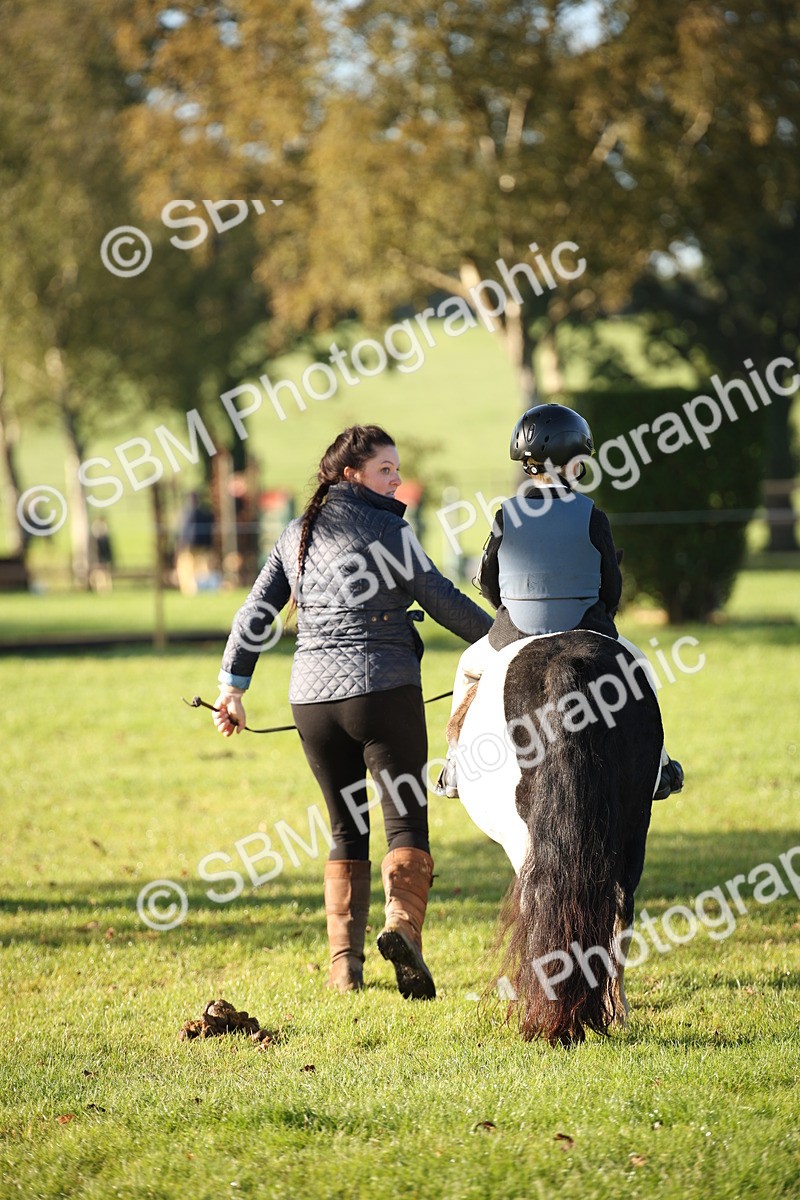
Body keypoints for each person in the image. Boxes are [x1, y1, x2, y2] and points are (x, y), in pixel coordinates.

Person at [213, 425, 492, 1000]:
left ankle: (345, 970)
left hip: (312, 704)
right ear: (351, 475)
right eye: (385, 469)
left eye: (396, 468)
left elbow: (255, 615)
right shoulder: (390, 530)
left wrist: (232, 686)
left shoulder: (296, 533)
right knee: (406, 825)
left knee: (346, 829)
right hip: (382, 696)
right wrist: (507, 645)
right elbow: (442, 599)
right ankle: (402, 928)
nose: (396, 478)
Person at [437, 403, 684, 802]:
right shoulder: (592, 516)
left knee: (467, 668)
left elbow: (489, 581)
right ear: (575, 463)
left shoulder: (505, 515)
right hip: (585, 631)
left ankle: (453, 765)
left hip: (513, 632)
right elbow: (611, 588)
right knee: (640, 669)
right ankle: (659, 766)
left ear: (530, 465)